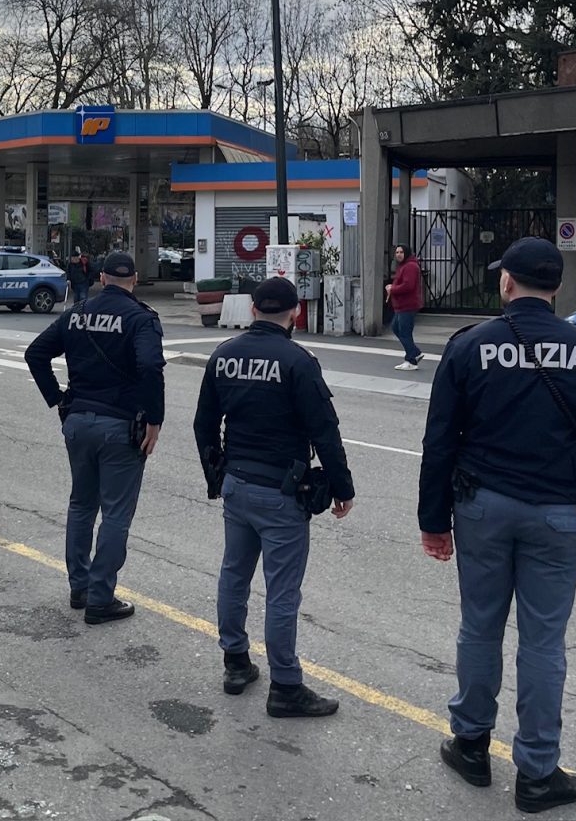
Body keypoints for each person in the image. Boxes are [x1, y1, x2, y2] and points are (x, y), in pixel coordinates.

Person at [418, 237, 576, 814]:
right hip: (559, 515)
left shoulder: (469, 345)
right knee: (544, 642)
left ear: (507, 283)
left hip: (481, 506)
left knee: (479, 626)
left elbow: (438, 444)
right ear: (555, 289)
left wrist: (434, 522)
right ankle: (536, 772)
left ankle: (472, 744)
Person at [193, 277, 354, 717]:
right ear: (295, 312)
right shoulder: (298, 361)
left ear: (251, 311)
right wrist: (342, 488)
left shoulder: (224, 355)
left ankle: (236, 663)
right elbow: (325, 431)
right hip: (281, 493)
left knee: (234, 574)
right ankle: (285, 686)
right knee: (282, 592)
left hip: (237, 485)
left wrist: (217, 475)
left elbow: (203, 424)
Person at [25, 251, 165, 626]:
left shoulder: (77, 314)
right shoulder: (141, 319)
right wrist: (154, 420)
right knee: (116, 512)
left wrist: (57, 398)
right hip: (120, 426)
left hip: (78, 422)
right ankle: (101, 599)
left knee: (82, 505)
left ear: (102, 278)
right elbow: (151, 367)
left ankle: (80, 587)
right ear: (134, 280)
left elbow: (35, 353)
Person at [387, 244, 424, 370]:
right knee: (397, 328)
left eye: (401, 252)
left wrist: (393, 289)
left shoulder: (410, 266)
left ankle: (412, 358)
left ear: (406, 253)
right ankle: (413, 354)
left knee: (404, 332)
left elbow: (408, 286)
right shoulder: (403, 266)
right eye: (397, 252)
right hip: (401, 305)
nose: (398, 254)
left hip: (407, 305)